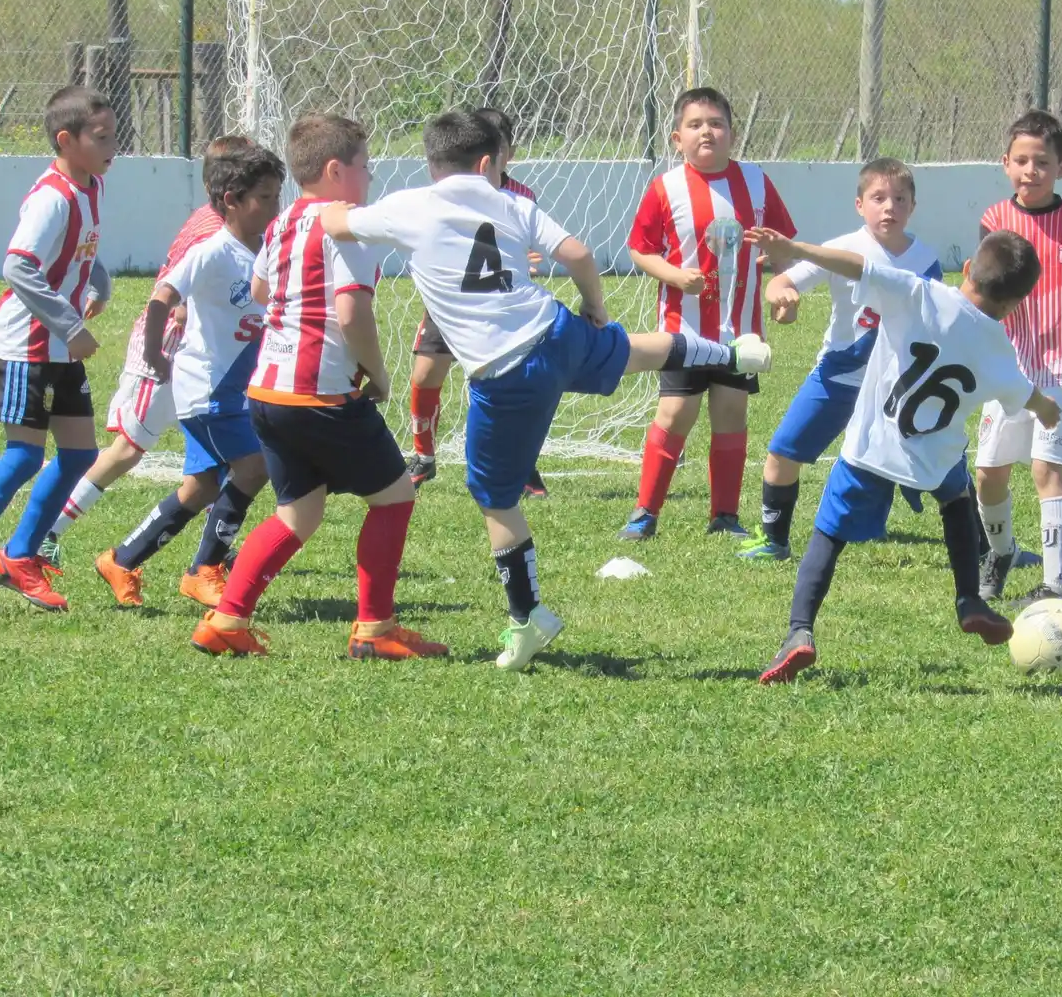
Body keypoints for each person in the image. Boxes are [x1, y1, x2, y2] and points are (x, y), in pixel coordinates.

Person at [322, 109, 773, 671]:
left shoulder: (411, 205)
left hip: (505, 370)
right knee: (631, 351)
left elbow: (338, 224)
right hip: (553, 329)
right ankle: (730, 355)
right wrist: (595, 306)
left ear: (433, 163)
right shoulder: (512, 203)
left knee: (494, 497)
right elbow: (579, 254)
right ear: (487, 164)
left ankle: (527, 616)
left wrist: (323, 203)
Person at [750, 226, 1062, 685]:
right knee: (956, 501)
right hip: (933, 459)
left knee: (828, 536)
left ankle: (799, 631)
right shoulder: (999, 347)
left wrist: (795, 249)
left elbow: (856, 266)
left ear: (968, 269)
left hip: (872, 448)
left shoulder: (918, 293)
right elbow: (1024, 392)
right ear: (1015, 304)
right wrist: (1046, 409)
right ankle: (968, 599)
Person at [190, 113, 447, 661]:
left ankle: (227, 620)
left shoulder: (283, 221)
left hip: (267, 392)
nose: (370, 177)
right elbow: (351, 312)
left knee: (297, 515)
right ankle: (374, 629)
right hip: (320, 395)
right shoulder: (346, 225)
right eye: (364, 166)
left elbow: (260, 289)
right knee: (395, 497)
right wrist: (377, 373)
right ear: (335, 170)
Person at [38, 135, 255, 567]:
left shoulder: (219, 222)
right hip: (170, 348)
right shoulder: (213, 231)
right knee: (128, 449)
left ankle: (215, 549)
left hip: (204, 357)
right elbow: (176, 302)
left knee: (223, 453)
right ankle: (48, 533)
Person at [94, 145, 284, 607]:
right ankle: (204, 570)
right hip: (210, 389)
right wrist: (156, 355)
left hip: (235, 388)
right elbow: (162, 296)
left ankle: (121, 559)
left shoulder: (267, 249)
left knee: (201, 487)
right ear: (231, 200)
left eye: (278, 196)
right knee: (255, 466)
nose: (275, 206)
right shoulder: (213, 250)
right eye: (265, 197)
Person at [738, 157, 941, 562]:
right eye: (878, 198)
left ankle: (984, 543)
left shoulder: (925, 260)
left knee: (946, 464)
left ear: (913, 207)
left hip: (897, 384)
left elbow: (939, 322)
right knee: (783, 452)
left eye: (900, 199)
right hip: (838, 376)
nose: (889, 207)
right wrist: (783, 297)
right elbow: (784, 280)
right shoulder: (843, 248)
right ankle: (774, 539)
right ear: (859, 205)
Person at [617, 86, 797, 541]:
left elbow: (782, 246)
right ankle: (645, 512)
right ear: (677, 138)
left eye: (716, 124)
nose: (707, 132)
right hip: (685, 328)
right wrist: (676, 277)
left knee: (731, 412)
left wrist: (782, 284)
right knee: (676, 412)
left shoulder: (756, 182)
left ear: (732, 133)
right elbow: (640, 249)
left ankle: (725, 516)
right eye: (695, 124)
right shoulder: (666, 187)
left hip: (741, 332)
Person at [0, 86, 115, 611]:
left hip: (59, 349)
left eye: (114, 135)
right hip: (27, 346)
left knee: (80, 454)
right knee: (22, 458)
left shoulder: (91, 185)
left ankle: (18, 557)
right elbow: (18, 266)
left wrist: (98, 284)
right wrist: (69, 324)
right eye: (101, 137)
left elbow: (81, 251)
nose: (113, 147)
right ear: (66, 140)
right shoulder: (51, 198)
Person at [974, 110, 1062, 604]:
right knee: (988, 475)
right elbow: (983, 293)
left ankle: (1056, 585)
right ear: (1005, 163)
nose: (1031, 171)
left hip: (1061, 369)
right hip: (1006, 367)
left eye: (1043, 162)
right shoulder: (994, 220)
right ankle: (1002, 552)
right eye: (1022, 161)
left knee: (1045, 470)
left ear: (1061, 167)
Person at [406, 106, 547, 497]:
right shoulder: (445, 196)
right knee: (425, 374)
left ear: (507, 154)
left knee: (505, 385)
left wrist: (527, 259)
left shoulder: (521, 198)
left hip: (502, 306)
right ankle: (423, 455)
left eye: (497, 150)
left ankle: (520, 464)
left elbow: (529, 245)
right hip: (450, 302)